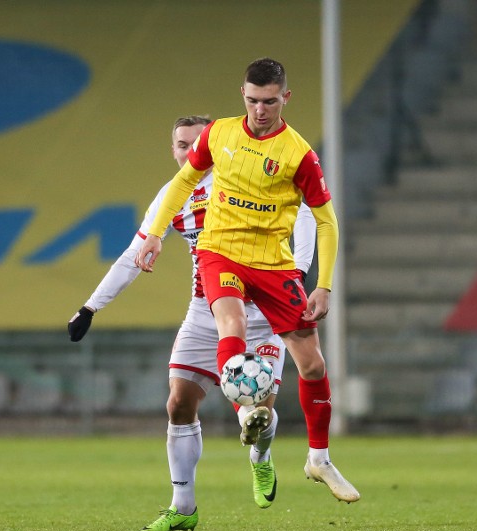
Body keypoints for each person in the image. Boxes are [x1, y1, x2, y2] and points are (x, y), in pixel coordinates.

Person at [67, 115, 317, 531]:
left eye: (196, 143)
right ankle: (183, 506)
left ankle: (261, 459)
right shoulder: (174, 195)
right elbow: (135, 254)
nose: (188, 151)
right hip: (206, 310)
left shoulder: (251, 180)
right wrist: (91, 306)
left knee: (256, 410)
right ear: (174, 151)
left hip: (261, 311)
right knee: (178, 404)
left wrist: (303, 271)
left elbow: (307, 212)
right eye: (181, 145)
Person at [136, 58, 360, 506]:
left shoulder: (298, 154)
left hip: (274, 265)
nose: (260, 110)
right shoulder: (219, 133)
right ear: (243, 94)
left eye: (270, 101)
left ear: (285, 99)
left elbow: (327, 222)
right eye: (253, 100)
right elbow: (183, 182)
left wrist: (325, 284)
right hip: (219, 254)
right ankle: (248, 414)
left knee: (313, 363)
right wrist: (155, 234)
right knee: (231, 323)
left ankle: (318, 458)